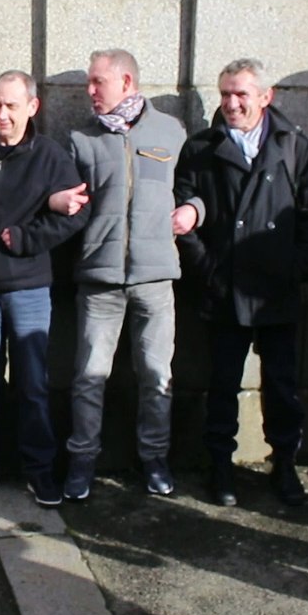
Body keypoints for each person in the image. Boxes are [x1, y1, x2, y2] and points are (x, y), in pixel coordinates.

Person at [174, 58, 308, 507]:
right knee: (222, 385)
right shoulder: (201, 147)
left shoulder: (293, 145)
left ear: (265, 96)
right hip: (223, 288)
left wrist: (294, 268)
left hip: (276, 289)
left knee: (281, 385)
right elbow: (183, 210)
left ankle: (284, 463)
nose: (232, 103)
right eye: (225, 94)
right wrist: (208, 269)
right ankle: (220, 466)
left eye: (241, 94)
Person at [0, 70, 87, 507]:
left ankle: (39, 470)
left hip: (28, 287)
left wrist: (27, 239)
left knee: (32, 385)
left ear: (32, 106)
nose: (2, 114)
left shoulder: (50, 156)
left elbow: (77, 211)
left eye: (11, 105)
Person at [61, 48, 187, 500]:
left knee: (156, 376)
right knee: (88, 377)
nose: (90, 91)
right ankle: (82, 461)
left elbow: (191, 186)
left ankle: (155, 458)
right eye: (89, 82)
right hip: (100, 279)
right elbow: (67, 201)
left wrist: (195, 208)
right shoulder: (81, 139)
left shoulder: (171, 132)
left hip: (156, 278)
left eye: (98, 82)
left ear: (127, 82)